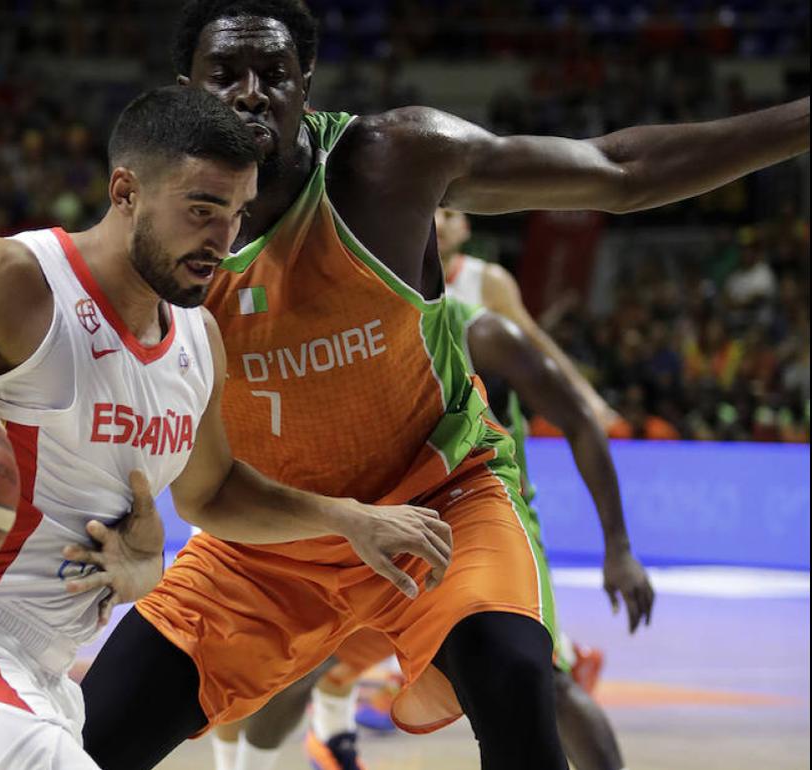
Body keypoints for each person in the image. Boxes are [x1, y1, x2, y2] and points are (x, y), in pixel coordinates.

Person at [79, 3, 808, 770]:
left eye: (274, 74)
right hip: (273, 535)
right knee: (86, 744)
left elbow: (620, 171)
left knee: (519, 679)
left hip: (439, 505)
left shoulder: (388, 164)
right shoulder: (152, 236)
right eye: (226, 74)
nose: (251, 93)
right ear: (187, 89)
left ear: (307, 83)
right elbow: (142, 429)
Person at [0, 86, 452, 770]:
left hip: (45, 677)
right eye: (201, 209)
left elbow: (213, 492)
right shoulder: (17, 281)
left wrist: (347, 519)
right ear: (125, 192)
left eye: (237, 214)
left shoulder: (199, 340)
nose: (223, 240)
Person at [213, 292, 655, 770]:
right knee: (303, 667)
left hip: (477, 524)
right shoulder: (351, 318)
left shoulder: (481, 329)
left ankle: (332, 731)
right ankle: (320, 739)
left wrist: (618, 548)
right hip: (379, 530)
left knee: (541, 682)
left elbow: (578, 415)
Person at [436, 207, 623, 432]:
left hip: (485, 418)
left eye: (449, 215)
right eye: (431, 214)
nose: (438, 223)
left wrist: (586, 394)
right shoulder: (406, 279)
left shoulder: (488, 279)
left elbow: (533, 339)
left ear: (466, 228)